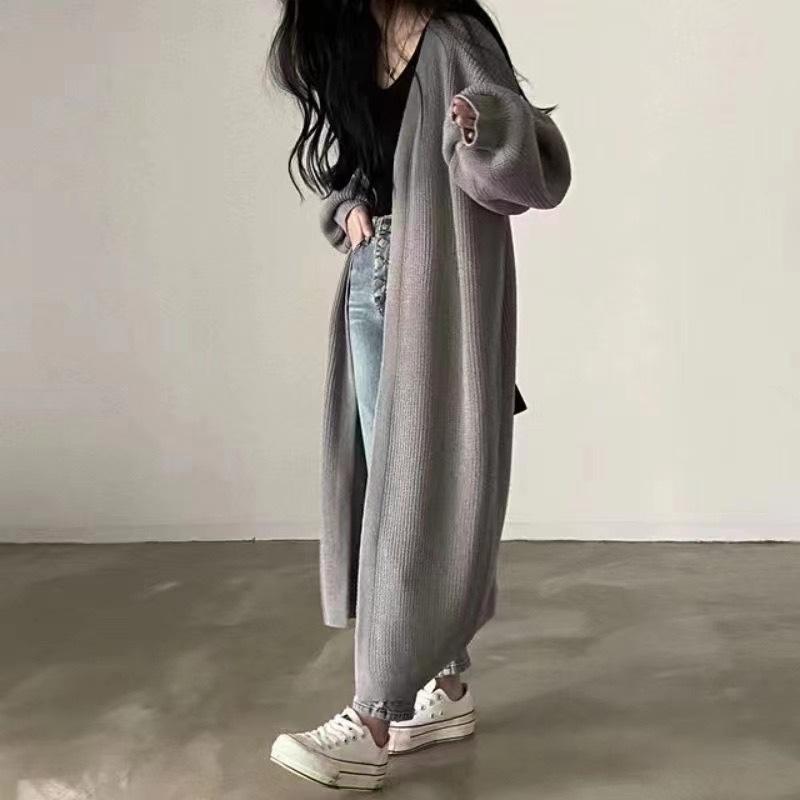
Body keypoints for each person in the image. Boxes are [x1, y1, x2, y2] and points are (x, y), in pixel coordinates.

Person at [266, 0, 571, 790]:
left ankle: (373, 717)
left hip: (440, 284)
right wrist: (350, 208)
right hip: (372, 283)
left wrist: (481, 129)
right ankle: (446, 689)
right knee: (389, 493)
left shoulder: (455, 37)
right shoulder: (352, 46)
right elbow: (358, 168)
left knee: (415, 496)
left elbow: (531, 170)